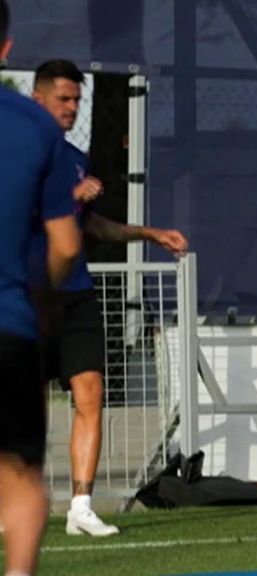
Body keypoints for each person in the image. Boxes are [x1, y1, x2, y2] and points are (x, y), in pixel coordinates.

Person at [31, 59, 189, 536]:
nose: (73, 108)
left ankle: (80, 507)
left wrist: (149, 233)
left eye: (78, 100)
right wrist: (70, 197)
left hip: (77, 296)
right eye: (64, 99)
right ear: (37, 98)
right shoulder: (16, 153)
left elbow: (91, 224)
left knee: (90, 394)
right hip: (28, 296)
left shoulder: (75, 155)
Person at [0, 1, 83, 570]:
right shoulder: (34, 128)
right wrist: (43, 300)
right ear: (6, 48)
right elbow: (68, 245)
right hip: (11, 323)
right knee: (23, 469)